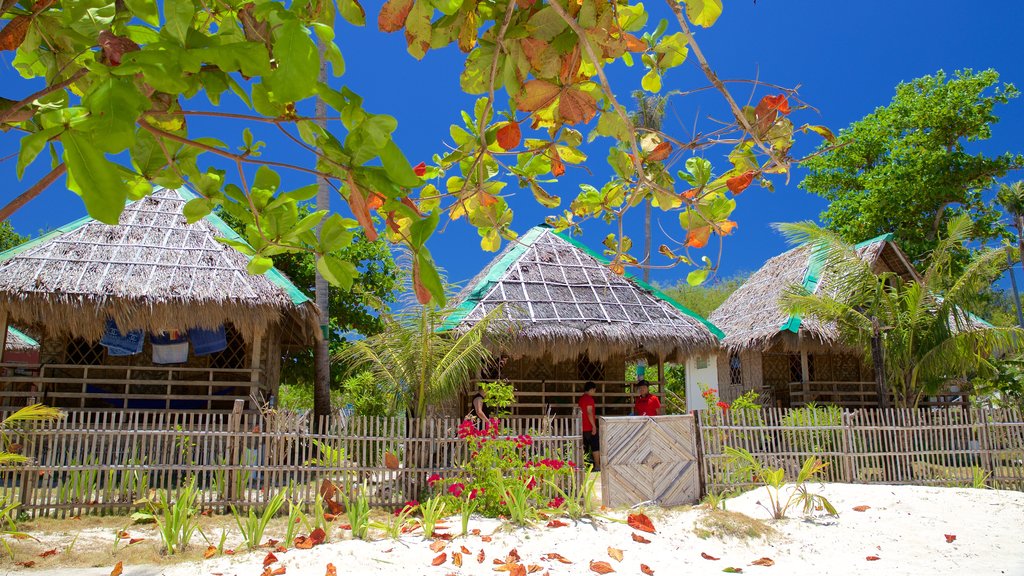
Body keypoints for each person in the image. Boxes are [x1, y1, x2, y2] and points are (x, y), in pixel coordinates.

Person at [578, 381, 600, 472]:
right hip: (589, 427)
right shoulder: (589, 399)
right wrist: (594, 426)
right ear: (591, 389)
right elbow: (589, 412)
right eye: (594, 390)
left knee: (584, 448)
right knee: (595, 447)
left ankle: (584, 467)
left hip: (582, 427)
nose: (594, 392)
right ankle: (597, 466)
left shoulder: (581, 399)